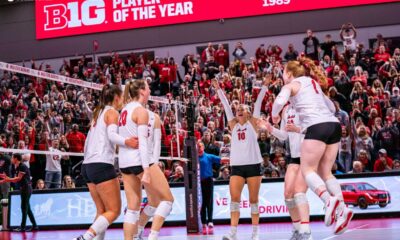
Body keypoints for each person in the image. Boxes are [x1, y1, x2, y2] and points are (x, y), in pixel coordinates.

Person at [271, 58, 353, 235]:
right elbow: (332, 107)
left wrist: (274, 115)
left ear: (289, 74)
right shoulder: (313, 83)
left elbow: (278, 102)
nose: (282, 76)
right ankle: (343, 210)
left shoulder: (292, 85)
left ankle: (328, 200)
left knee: (308, 170)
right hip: (334, 126)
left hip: (317, 127)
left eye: (283, 72)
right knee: (326, 172)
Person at [74, 84, 137, 240]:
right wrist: (127, 142)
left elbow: (88, 142)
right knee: (114, 211)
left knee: (102, 212)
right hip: (101, 164)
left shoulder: (98, 113)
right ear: (116, 97)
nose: (123, 99)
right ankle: (85, 238)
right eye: (122, 96)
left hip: (87, 165)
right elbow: (112, 136)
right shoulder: (112, 112)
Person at [213, 76, 268, 240]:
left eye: (242, 108)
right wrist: (218, 89)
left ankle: (255, 232)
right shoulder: (233, 125)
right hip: (236, 167)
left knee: (253, 200)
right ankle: (233, 233)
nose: (238, 109)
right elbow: (225, 106)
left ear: (248, 113)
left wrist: (264, 87)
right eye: (237, 108)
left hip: (253, 166)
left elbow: (258, 104)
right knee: (234, 200)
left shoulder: (253, 124)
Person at [119, 79, 174, 240]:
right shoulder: (141, 111)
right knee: (167, 200)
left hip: (125, 163)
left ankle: (135, 236)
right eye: (149, 87)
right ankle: (152, 237)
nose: (151, 90)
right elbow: (143, 142)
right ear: (142, 91)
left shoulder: (124, 110)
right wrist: (147, 169)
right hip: (140, 161)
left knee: (132, 209)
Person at [260, 102, 311, 240]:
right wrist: (270, 128)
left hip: (309, 156)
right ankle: (297, 229)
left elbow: (315, 129)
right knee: (288, 195)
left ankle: (306, 231)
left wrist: (297, 128)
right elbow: (284, 135)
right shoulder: (286, 109)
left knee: (298, 194)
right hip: (294, 157)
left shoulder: (306, 105)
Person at [136, 109, 173, 240]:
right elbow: (157, 142)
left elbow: (157, 141)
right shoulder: (148, 115)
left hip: (131, 162)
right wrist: (155, 164)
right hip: (146, 161)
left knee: (153, 202)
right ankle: (153, 236)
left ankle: (137, 232)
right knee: (168, 200)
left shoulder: (153, 116)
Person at [0, 154, 38, 232]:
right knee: (27, 208)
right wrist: (6, 179)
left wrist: (7, 179)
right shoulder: (17, 167)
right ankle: (35, 226)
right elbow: (15, 179)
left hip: (27, 188)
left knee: (24, 208)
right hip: (23, 188)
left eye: (12, 158)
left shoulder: (22, 166)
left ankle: (22, 227)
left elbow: (18, 178)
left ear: (16, 159)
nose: (11, 159)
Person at [198, 141, 221, 234]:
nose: (198, 148)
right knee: (201, 203)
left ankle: (210, 221)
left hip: (208, 181)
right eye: (197, 146)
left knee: (209, 201)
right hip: (199, 182)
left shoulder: (208, 156)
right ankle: (203, 222)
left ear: (203, 147)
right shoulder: (194, 158)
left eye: (200, 146)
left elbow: (221, 160)